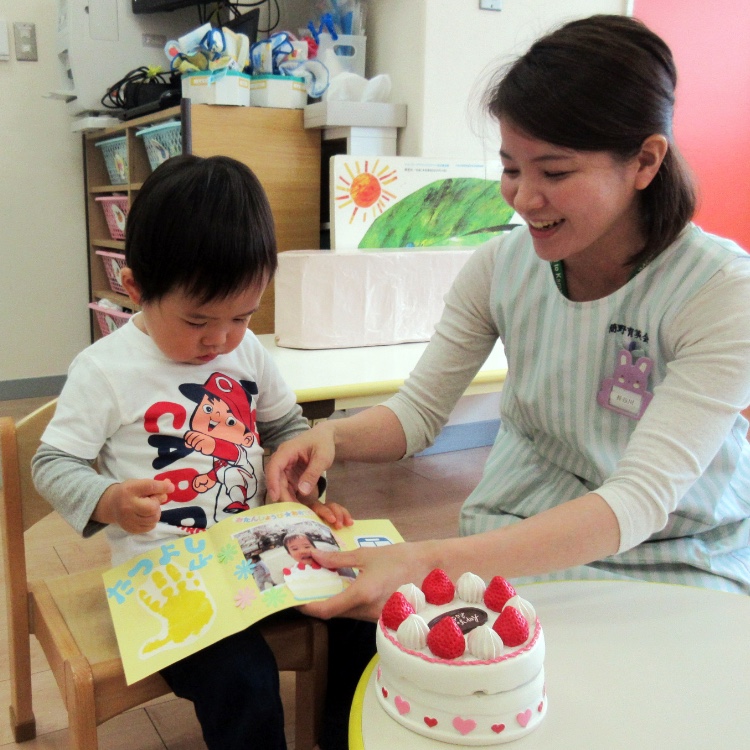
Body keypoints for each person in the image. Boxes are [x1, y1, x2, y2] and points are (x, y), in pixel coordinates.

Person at [266, 14, 750, 622]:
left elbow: (638, 501)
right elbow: (417, 414)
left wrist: (427, 560)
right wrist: (333, 436)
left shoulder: (719, 292)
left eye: (555, 172)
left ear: (646, 162)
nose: (523, 199)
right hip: (521, 522)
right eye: (511, 169)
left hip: (679, 551)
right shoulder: (500, 267)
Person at [32, 154, 374, 750]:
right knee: (244, 680)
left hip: (263, 554)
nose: (219, 339)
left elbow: (286, 426)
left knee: (363, 614)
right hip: (167, 578)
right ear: (136, 287)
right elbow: (52, 463)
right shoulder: (106, 370)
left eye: (242, 316)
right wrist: (108, 500)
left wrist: (303, 491)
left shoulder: (247, 353)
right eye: (197, 320)